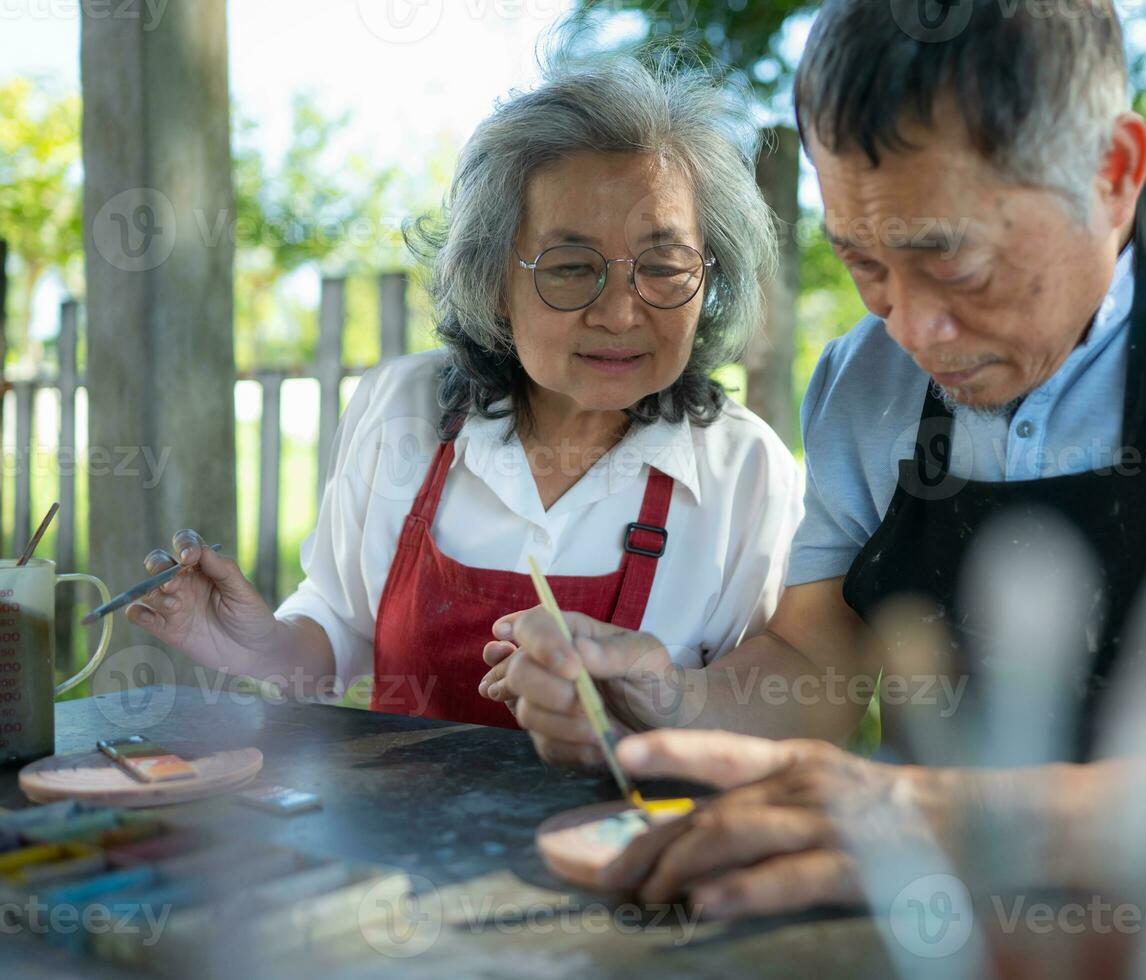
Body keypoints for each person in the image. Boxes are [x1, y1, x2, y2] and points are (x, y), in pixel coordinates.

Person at [488, 1, 1146, 777]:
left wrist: (957, 816)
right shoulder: (865, 384)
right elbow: (816, 663)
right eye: (863, 262)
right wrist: (664, 703)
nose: (912, 329)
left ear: (1113, 170)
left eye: (954, 266)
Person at [124, 55, 802, 727]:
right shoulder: (402, 413)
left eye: (662, 266)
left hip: (628, 836)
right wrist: (260, 647)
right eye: (570, 269)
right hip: (399, 833)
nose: (620, 313)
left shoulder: (746, 473)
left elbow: (748, 725)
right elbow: (336, 632)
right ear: (493, 281)